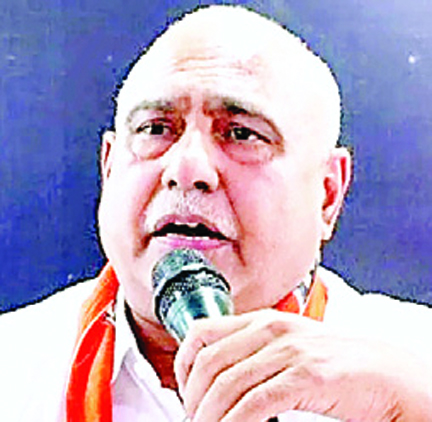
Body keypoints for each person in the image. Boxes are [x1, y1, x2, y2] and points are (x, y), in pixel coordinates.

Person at [1, 5, 431, 422]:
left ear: (327, 194)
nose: (187, 169)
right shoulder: (11, 367)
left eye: (241, 134)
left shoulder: (415, 370)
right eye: (156, 129)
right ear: (109, 169)